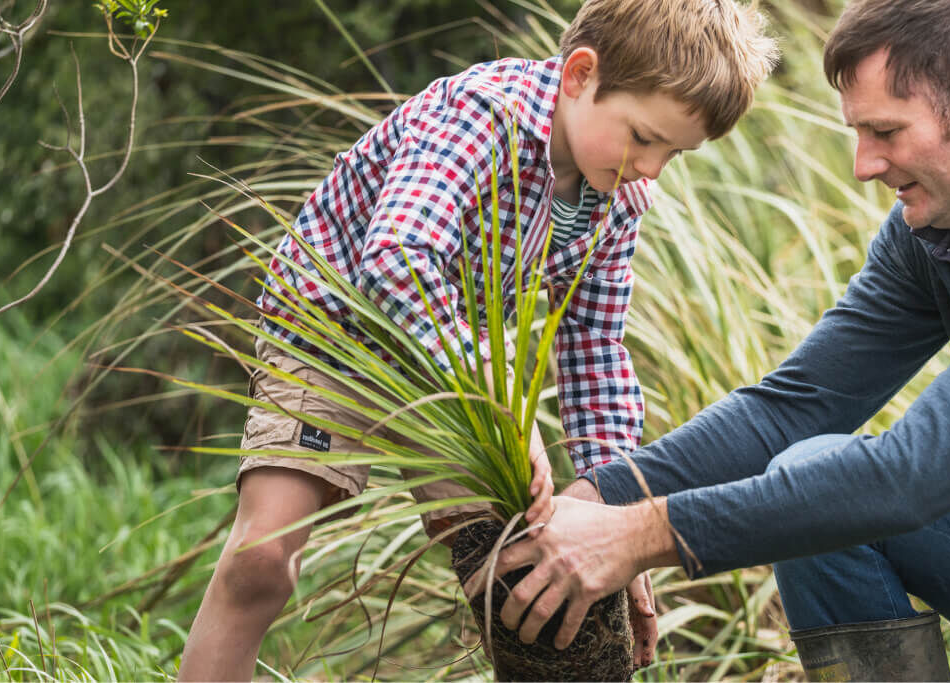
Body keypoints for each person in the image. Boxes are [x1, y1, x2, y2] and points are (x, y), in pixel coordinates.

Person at [471, 1, 950, 681]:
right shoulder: (938, 231)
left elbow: (913, 477)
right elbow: (795, 404)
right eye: (858, 133)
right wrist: (595, 500)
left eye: (885, 130)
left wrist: (634, 537)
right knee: (814, 478)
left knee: (850, 490)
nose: (864, 165)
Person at [177, 1, 778, 679]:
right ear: (581, 75)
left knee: (530, 584)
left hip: (448, 368)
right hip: (333, 335)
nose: (652, 169)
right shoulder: (480, 115)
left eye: (674, 152)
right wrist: (493, 390)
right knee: (263, 560)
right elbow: (399, 259)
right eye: (643, 137)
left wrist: (620, 518)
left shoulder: (617, 199)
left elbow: (594, 346)